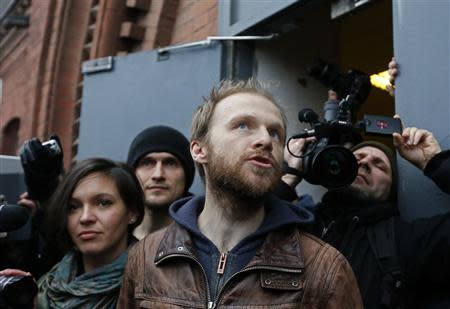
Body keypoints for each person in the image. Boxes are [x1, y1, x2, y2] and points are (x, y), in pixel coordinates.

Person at [117, 79, 363, 308]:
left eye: (275, 133)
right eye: (243, 125)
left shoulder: (324, 268)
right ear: (199, 149)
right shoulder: (147, 255)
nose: (265, 140)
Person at [278, 122, 450, 308]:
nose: (365, 163)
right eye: (356, 158)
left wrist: (434, 161)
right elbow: (248, 229)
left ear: (390, 190)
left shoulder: (405, 241)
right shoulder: (301, 221)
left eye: (379, 166)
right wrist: (289, 177)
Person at [36, 158, 144, 308]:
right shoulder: (45, 289)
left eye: (103, 203)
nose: (85, 218)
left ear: (132, 212)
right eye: (73, 207)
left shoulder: (155, 288)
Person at [126, 125, 195, 238]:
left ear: (186, 175)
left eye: (170, 163)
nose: (158, 175)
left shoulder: (205, 239)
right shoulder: (113, 239)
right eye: (148, 163)